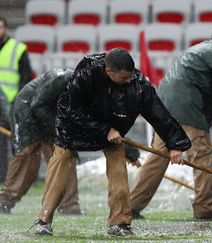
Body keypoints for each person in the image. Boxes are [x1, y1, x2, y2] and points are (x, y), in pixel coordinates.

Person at [30, 48, 191, 237]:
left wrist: (175, 145)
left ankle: (120, 223)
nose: (129, 81)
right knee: (60, 166)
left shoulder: (139, 85)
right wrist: (105, 129)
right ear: (109, 72)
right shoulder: (86, 73)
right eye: (124, 78)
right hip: (74, 126)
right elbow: (74, 109)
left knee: (118, 171)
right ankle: (44, 220)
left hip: (112, 130)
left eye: (130, 76)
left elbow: (159, 114)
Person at [129, 17, 212, 221]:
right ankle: (204, 208)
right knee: (202, 157)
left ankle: (131, 206)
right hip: (187, 110)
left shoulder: (201, 48)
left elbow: (209, 86)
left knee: (156, 159)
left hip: (163, 107)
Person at [0, 69, 82, 215]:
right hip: (28, 108)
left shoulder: (93, 88)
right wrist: (59, 130)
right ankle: (5, 201)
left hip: (52, 115)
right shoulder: (63, 79)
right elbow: (38, 106)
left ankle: (69, 205)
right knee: (27, 155)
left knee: (65, 154)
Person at [0, 16, 32, 182]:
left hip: (12, 102)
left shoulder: (17, 48)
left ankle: (20, 177)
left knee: (16, 141)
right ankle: (3, 176)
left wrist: (19, 100)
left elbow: (25, 76)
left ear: (5, 29)